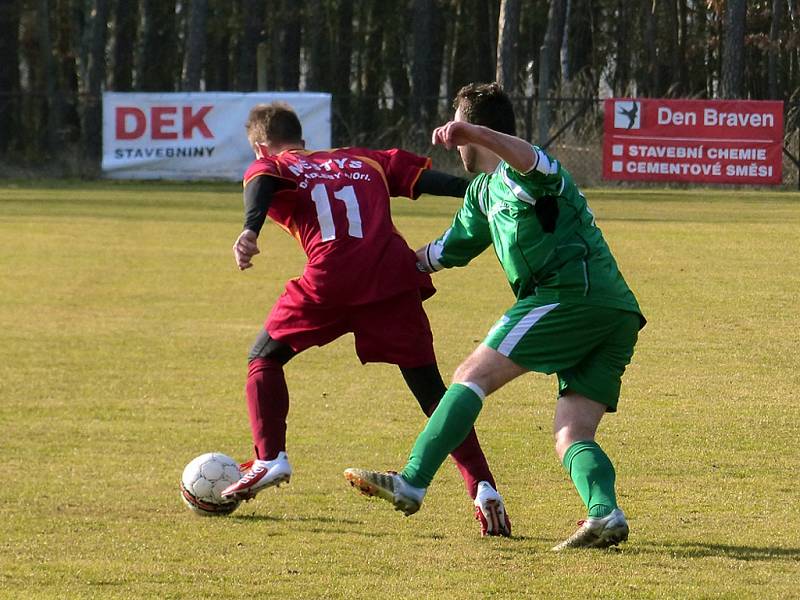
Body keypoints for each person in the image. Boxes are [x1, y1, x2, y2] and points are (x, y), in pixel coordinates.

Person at [344, 83, 645, 550]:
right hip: (609, 310)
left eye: (463, 133)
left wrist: (475, 131)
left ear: (473, 134)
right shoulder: (483, 193)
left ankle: (412, 480)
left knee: (470, 376)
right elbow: (446, 250)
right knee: (572, 432)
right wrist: (385, 265)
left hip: (570, 295)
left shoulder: (528, 172)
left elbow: (530, 159)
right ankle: (604, 512)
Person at [219, 102, 511, 537]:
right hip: (392, 277)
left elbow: (261, 182)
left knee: (264, 357)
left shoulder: (274, 165)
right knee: (432, 392)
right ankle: (483, 488)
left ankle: (269, 457)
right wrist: (487, 189)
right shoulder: (363, 159)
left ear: (261, 147)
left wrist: (249, 229)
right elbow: (432, 181)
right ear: (303, 138)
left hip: (331, 278)